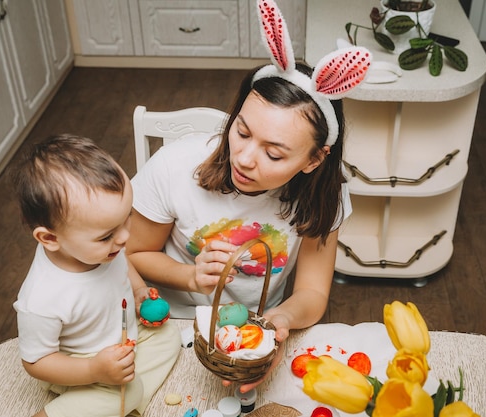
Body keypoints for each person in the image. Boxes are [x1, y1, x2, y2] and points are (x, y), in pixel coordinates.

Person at [126, 0, 370, 393]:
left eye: (274, 154)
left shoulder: (327, 195)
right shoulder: (174, 165)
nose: (243, 158)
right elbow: (132, 255)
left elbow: (311, 291)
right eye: (241, 130)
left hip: (255, 322)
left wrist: (277, 324)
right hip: (169, 323)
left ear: (313, 160)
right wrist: (192, 275)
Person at [11, 134, 181, 417]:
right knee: (124, 391)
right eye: (107, 236)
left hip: (124, 340)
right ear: (50, 238)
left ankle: (127, 397)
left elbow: (122, 265)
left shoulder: (103, 250)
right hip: (78, 364)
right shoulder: (41, 297)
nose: (125, 237)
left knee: (168, 337)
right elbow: (36, 362)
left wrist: (139, 292)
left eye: (127, 217)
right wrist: (94, 370)